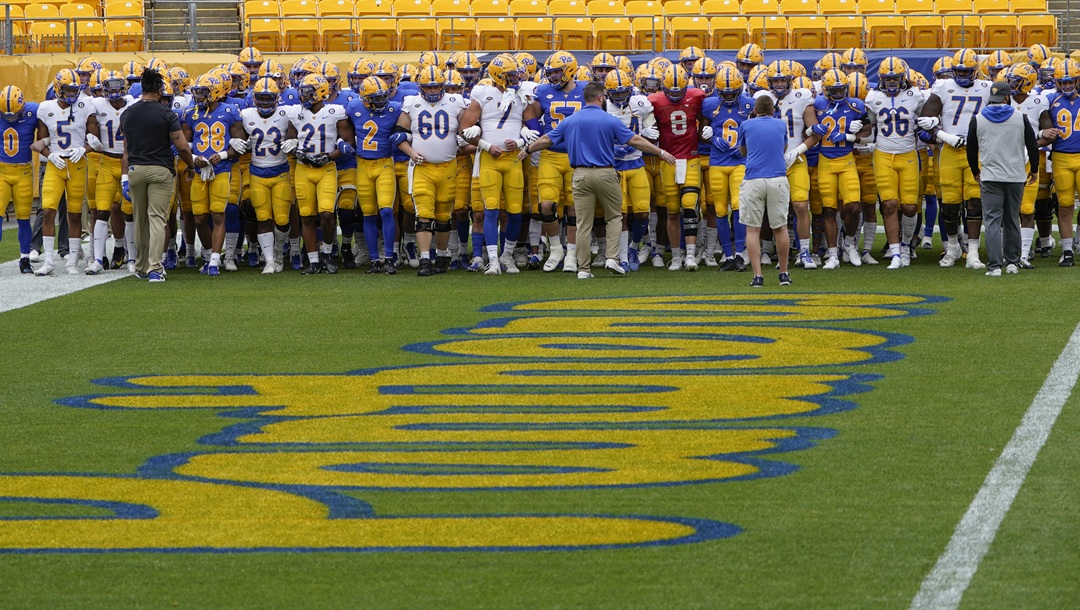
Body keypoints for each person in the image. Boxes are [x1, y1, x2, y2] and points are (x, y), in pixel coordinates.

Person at [517, 81, 676, 279]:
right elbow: (635, 140)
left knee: (583, 223)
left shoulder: (572, 120)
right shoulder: (608, 119)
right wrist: (660, 152)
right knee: (614, 217)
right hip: (605, 172)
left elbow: (547, 139)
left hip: (580, 174)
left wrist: (528, 149)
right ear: (600, 98)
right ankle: (612, 257)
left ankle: (583, 268)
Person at [120, 68, 196, 282]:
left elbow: (126, 150)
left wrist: (124, 177)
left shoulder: (127, 113)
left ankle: (141, 265)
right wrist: (191, 166)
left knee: (140, 219)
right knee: (157, 219)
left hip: (135, 169)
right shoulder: (166, 114)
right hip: (160, 169)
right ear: (159, 90)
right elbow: (182, 146)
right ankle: (154, 267)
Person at [967, 80, 1041, 276]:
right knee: (1012, 219)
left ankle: (994, 266)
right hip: (1015, 176)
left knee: (992, 221)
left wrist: (975, 170)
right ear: (1007, 97)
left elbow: (971, 148)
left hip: (990, 176)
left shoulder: (978, 119)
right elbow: (1032, 146)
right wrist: (1034, 169)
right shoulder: (1020, 118)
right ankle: (1012, 262)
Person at [738, 95, 793, 288]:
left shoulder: (746, 125)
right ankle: (784, 273)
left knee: (753, 229)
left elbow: (743, 151)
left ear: (755, 110)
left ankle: (758, 276)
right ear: (773, 111)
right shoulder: (780, 125)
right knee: (781, 227)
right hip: (777, 177)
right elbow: (784, 147)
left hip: (754, 178)